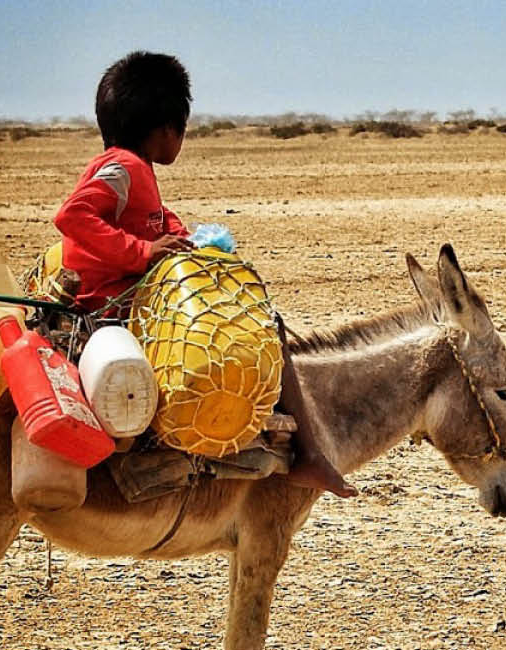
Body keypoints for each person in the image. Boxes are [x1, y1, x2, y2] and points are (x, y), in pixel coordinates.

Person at [54, 51, 355, 498]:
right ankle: (308, 455)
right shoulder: (125, 167)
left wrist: (180, 236)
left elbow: (152, 220)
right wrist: (142, 252)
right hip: (114, 303)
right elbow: (73, 215)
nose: (182, 139)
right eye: (182, 129)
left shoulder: (135, 168)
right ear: (163, 129)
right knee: (264, 327)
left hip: (120, 294)